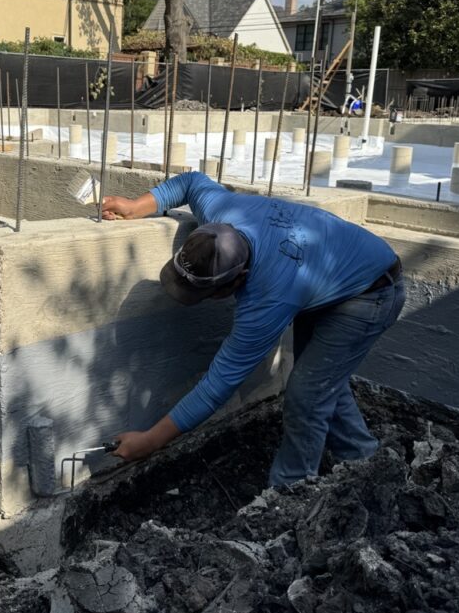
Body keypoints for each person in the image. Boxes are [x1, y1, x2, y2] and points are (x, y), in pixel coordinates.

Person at [102, 172, 405, 487]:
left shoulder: (268, 298)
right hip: (329, 276)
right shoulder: (221, 220)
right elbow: (191, 182)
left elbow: (217, 385)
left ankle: (290, 493)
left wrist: (151, 440)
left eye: (207, 293)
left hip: (372, 293)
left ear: (239, 278)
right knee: (323, 381)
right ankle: (366, 464)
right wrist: (137, 206)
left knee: (307, 395)